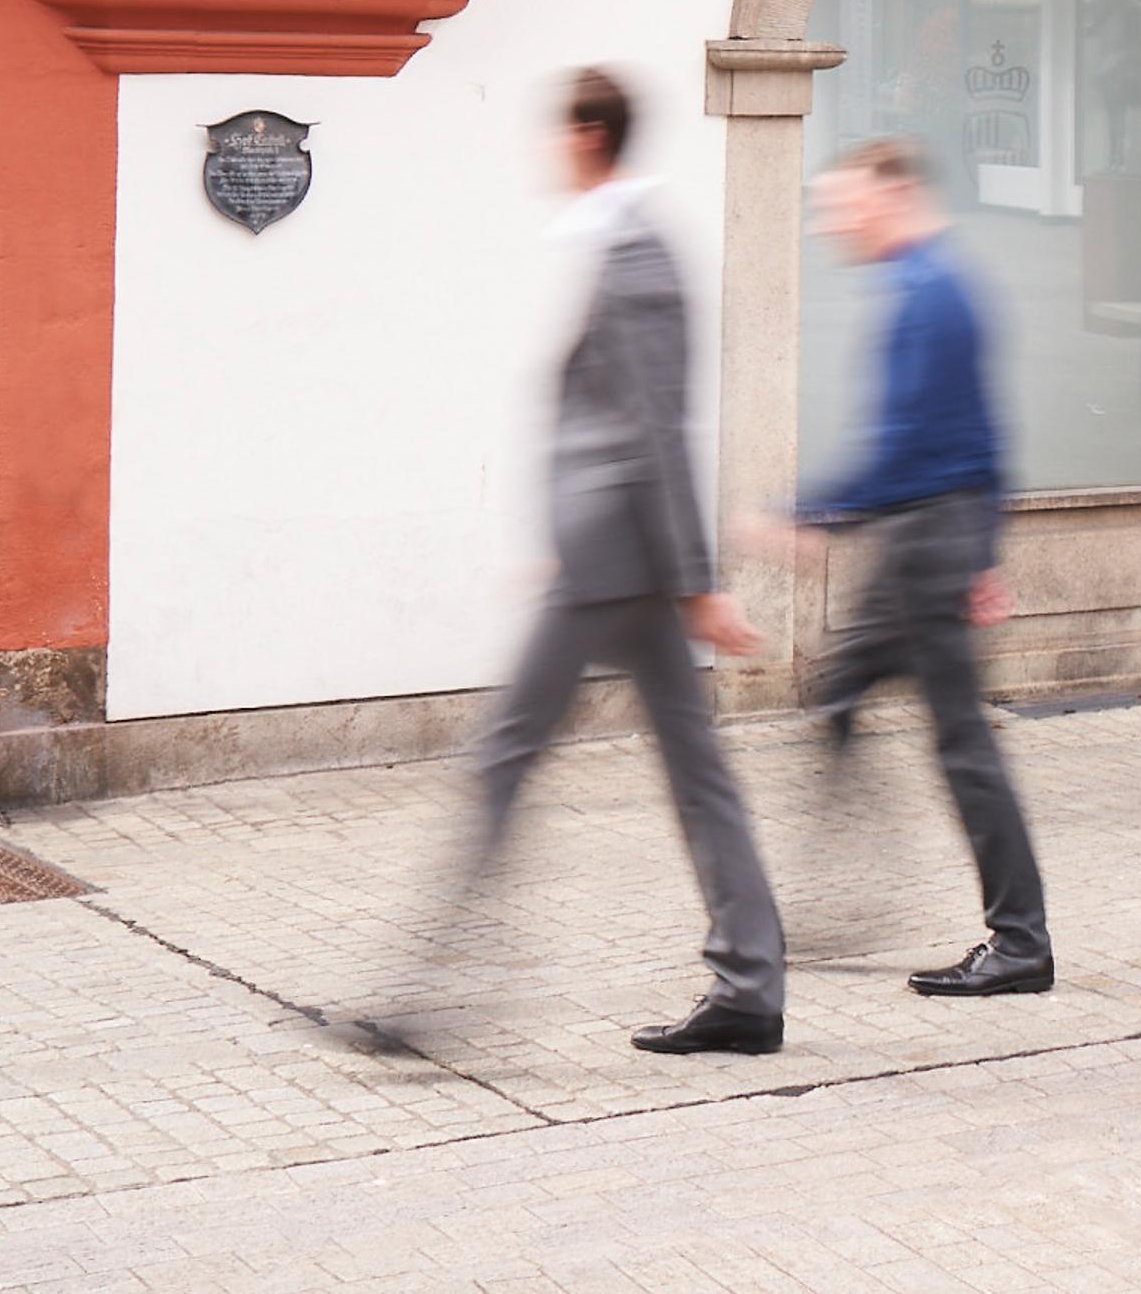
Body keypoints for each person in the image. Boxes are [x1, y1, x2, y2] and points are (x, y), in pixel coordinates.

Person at [433, 68, 787, 1057]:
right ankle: (751, 988)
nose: (546, 151)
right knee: (698, 773)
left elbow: (656, 431)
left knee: (503, 757)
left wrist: (699, 581)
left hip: (618, 566)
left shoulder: (634, 259)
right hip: (612, 563)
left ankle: (433, 997)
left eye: (557, 133)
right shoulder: (614, 248)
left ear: (589, 135)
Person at [804, 135, 1054, 999]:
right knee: (838, 693)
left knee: (964, 747)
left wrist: (815, 509)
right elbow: (982, 437)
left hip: (925, 544)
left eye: (843, 203)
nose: (833, 219)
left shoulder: (932, 292)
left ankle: (1020, 942)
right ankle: (834, 894)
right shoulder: (927, 285)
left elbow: (917, 444)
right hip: (928, 541)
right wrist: (983, 553)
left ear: (893, 196)